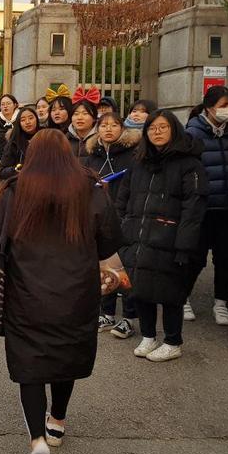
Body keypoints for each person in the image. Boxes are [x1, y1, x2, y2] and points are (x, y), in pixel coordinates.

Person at [0, 129, 121, 454]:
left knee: (31, 364)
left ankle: (38, 444)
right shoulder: (92, 189)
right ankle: (57, 421)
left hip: (26, 290)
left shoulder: (15, 189)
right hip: (77, 291)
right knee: (67, 352)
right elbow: (110, 239)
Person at [116, 110, 207, 363]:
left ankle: (172, 341)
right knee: (140, 287)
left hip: (171, 237)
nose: (157, 132)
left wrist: (184, 244)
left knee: (170, 292)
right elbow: (123, 198)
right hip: (137, 235)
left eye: (163, 127)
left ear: (174, 130)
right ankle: (148, 336)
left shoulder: (190, 164)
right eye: (152, 128)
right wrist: (120, 229)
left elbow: (194, 207)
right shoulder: (138, 161)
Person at [183, 86, 228, 324]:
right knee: (194, 257)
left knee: (226, 257)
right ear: (209, 107)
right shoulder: (193, 134)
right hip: (202, 208)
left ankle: (221, 302)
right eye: (223, 105)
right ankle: (183, 298)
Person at [83, 112, 141, 338]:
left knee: (125, 269)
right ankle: (106, 313)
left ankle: (129, 317)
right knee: (105, 268)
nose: (108, 129)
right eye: (103, 125)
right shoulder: (92, 155)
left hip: (125, 217)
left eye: (114, 125)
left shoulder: (133, 155)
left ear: (122, 128)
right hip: (100, 218)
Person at [0, 105, 40, 180]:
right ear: (19, 123)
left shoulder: (45, 137)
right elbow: (2, 171)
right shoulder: (14, 142)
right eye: (23, 120)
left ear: (37, 119)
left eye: (31, 118)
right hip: (20, 182)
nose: (27, 122)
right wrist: (17, 168)